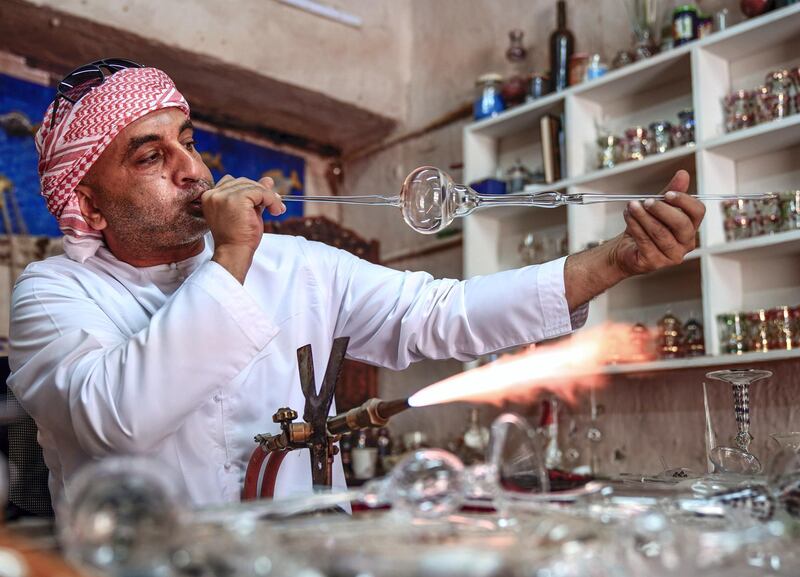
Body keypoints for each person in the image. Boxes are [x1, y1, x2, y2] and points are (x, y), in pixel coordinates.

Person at [8, 60, 704, 508]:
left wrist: (615, 262)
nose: (191, 169)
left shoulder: (297, 265)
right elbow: (118, 417)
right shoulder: (53, 294)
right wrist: (231, 258)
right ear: (89, 204)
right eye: (151, 156)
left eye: (188, 140)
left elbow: (447, 313)